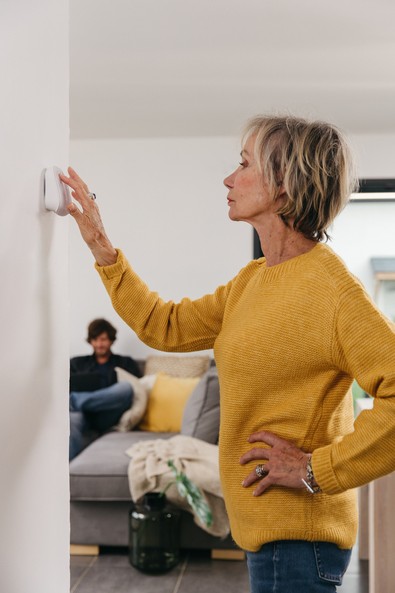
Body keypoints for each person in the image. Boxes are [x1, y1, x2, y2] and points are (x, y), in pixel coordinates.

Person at [61, 115, 395, 592]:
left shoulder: (334, 291)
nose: (228, 179)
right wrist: (100, 244)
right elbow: (165, 325)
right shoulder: (251, 281)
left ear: (284, 186)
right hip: (264, 533)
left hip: (299, 539)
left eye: (243, 165)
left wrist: (314, 470)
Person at [69, 318, 141, 460]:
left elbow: (137, 388)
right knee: (71, 419)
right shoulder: (76, 363)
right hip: (83, 414)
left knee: (125, 388)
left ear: (111, 340)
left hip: (108, 414)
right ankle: (69, 473)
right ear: (90, 341)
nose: (99, 344)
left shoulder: (125, 362)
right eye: (95, 340)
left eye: (103, 339)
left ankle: (73, 401)